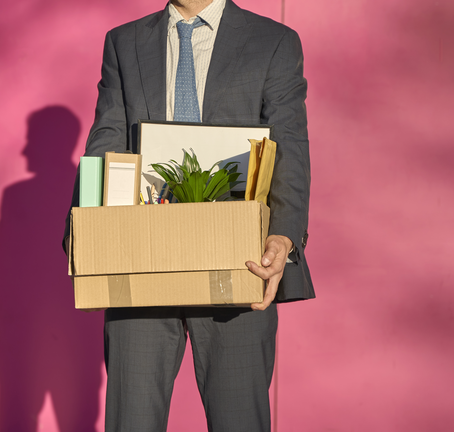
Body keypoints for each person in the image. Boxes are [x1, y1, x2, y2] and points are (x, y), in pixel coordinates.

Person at [64, 0, 315, 430]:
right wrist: (87, 240)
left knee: (239, 421)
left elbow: (288, 146)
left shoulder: (274, 42)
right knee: (132, 422)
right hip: (139, 258)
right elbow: (106, 140)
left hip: (237, 260)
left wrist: (284, 237)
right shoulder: (124, 42)